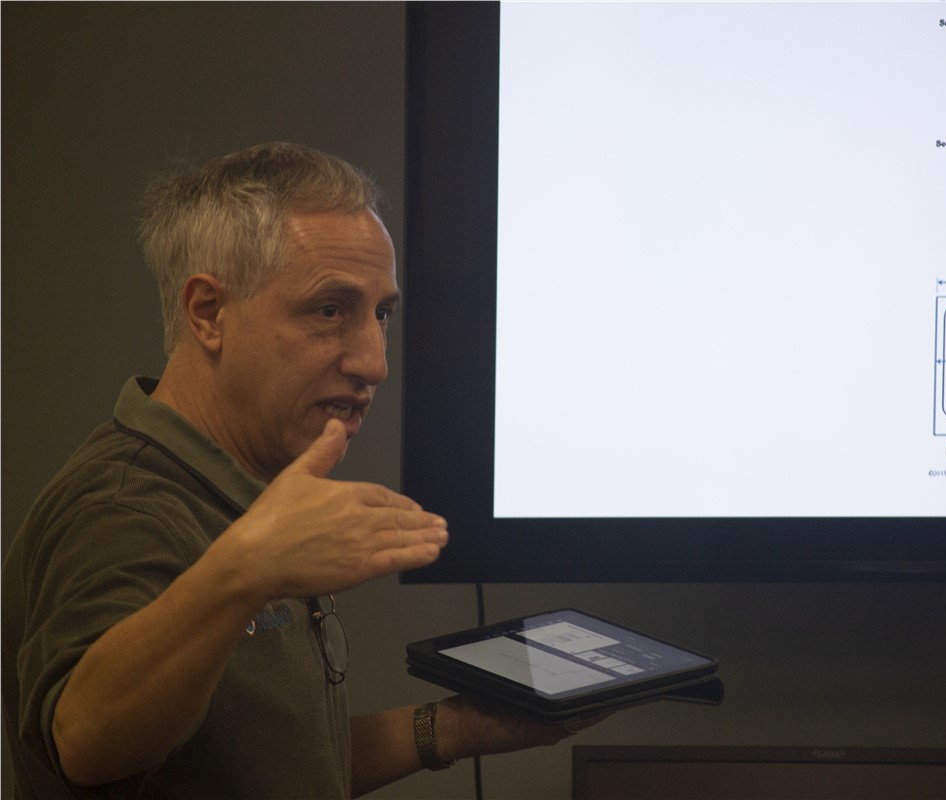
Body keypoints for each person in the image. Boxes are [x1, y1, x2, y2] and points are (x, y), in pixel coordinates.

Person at [1, 142, 577, 798]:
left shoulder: (248, 497)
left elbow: (257, 766)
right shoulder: (122, 507)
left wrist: (453, 730)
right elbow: (85, 739)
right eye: (331, 310)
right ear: (209, 314)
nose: (373, 362)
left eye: (381, 314)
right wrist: (244, 570)